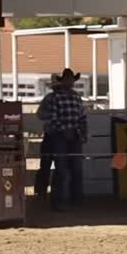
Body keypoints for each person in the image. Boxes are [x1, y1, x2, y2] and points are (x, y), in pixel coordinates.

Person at [48, 68, 87, 211]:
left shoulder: (77, 97)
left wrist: (83, 133)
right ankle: (58, 200)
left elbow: (82, 117)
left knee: (76, 169)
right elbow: (52, 117)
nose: (70, 82)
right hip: (60, 136)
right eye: (68, 79)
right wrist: (64, 130)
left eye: (72, 79)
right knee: (61, 169)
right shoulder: (55, 97)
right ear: (63, 80)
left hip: (74, 135)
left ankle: (76, 199)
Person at [35, 73, 60, 199]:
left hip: (50, 135)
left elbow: (39, 114)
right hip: (59, 136)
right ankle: (54, 192)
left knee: (45, 164)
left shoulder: (48, 98)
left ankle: (41, 191)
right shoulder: (53, 98)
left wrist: (49, 116)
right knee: (60, 165)